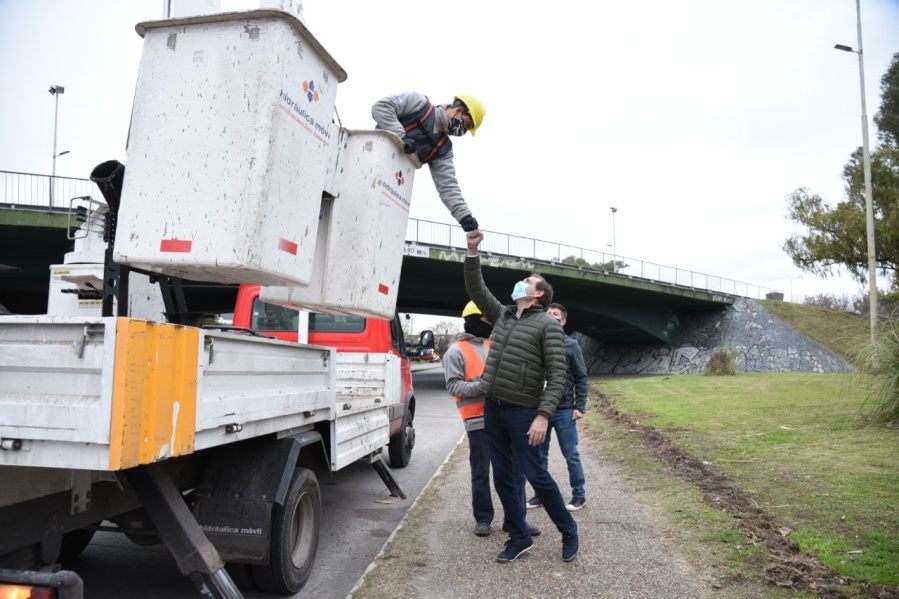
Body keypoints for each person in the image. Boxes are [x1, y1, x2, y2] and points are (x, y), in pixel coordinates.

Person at [463, 228, 580, 564]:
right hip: (493, 407)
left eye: (528, 280)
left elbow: (558, 376)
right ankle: (519, 536)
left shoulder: (547, 325)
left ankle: (568, 529)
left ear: (539, 293)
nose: (521, 283)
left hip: (524, 412)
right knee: (502, 476)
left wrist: (543, 416)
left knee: (536, 475)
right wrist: (473, 252)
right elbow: (475, 287)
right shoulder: (501, 314)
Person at [443, 301, 541, 539]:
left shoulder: (494, 344)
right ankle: (483, 518)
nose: (491, 324)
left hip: (506, 417)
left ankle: (515, 520)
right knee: (481, 472)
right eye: (487, 320)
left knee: (516, 472)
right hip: (478, 421)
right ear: (474, 319)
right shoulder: (455, 351)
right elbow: (454, 385)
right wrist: (484, 386)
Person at [371, 92, 485, 232]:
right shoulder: (418, 103)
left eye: (466, 130)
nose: (462, 131)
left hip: (393, 188)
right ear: (459, 110)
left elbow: (448, 186)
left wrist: (465, 217)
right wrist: (401, 136)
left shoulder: (443, 148)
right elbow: (381, 107)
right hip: (370, 163)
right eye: (465, 125)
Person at [526, 302, 589, 512]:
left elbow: (581, 376)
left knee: (571, 455)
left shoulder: (571, 345)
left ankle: (579, 495)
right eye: (548, 314)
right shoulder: (536, 343)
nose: (551, 317)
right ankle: (541, 494)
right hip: (539, 411)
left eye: (556, 315)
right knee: (539, 456)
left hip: (563, 411)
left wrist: (580, 406)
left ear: (563, 322)